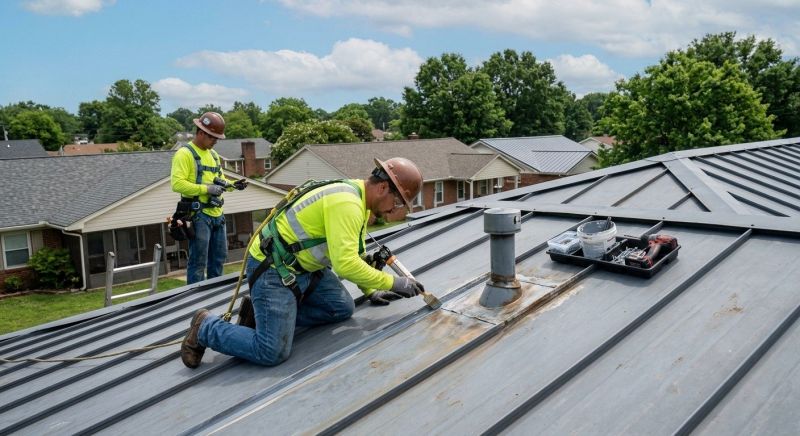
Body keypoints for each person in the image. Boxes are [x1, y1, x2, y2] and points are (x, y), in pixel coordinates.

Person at [181, 157, 425, 368]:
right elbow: (345, 264)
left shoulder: (358, 199)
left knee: (341, 308)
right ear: (383, 187)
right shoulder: (347, 203)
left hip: (305, 268)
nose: (395, 211)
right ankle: (206, 327)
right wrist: (394, 282)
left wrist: (370, 290)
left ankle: (260, 315)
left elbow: (352, 253)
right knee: (272, 350)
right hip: (274, 269)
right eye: (398, 202)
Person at [170, 111, 248, 285]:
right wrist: (207, 189)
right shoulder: (185, 154)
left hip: (217, 215)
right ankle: (195, 300)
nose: (215, 141)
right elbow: (177, 184)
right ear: (201, 132)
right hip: (199, 216)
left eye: (217, 138)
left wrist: (233, 185)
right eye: (212, 137)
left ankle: (214, 293)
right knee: (199, 261)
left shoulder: (213, 155)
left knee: (219, 259)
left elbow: (220, 181)